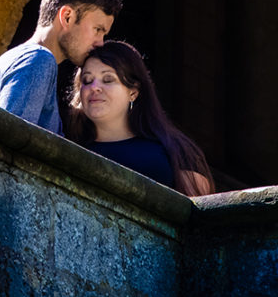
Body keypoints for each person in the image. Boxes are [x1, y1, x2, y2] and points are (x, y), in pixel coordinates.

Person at [0, 0, 122, 134]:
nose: (100, 43)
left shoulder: (24, 58)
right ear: (67, 17)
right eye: (98, 30)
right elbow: (12, 145)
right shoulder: (38, 60)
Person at [67, 40, 214, 196]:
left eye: (108, 79)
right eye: (87, 80)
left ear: (133, 92)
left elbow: (198, 214)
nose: (94, 87)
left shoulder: (175, 151)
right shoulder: (69, 152)